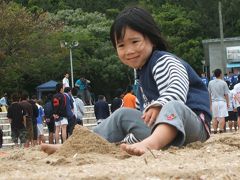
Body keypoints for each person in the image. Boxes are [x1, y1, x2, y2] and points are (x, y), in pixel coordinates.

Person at [41, 7, 211, 156]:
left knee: (172, 105)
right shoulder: (141, 77)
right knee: (122, 114)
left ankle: (151, 144)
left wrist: (160, 104)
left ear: (152, 38)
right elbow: (140, 119)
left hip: (193, 127)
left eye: (135, 42)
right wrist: (127, 142)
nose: (129, 51)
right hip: (159, 133)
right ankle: (80, 146)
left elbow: (177, 86)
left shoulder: (164, 61)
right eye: (121, 46)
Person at [208, 69, 229, 134]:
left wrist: (210, 104)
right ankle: (221, 129)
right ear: (220, 74)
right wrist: (228, 103)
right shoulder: (224, 82)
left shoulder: (210, 82)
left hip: (214, 102)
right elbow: (226, 94)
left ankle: (214, 130)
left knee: (214, 117)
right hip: (222, 101)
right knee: (222, 117)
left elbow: (209, 94)